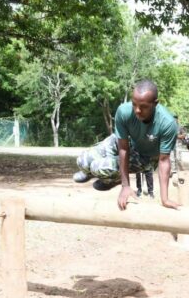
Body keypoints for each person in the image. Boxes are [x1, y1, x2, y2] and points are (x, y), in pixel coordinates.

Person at [72, 80, 180, 211]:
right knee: (83, 160)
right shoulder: (124, 111)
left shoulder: (167, 123)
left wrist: (165, 199)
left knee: (98, 167)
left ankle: (112, 179)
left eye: (144, 106)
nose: (137, 110)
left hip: (145, 157)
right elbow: (123, 147)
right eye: (134, 104)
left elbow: (164, 161)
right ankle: (88, 171)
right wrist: (126, 185)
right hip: (128, 142)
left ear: (155, 103)